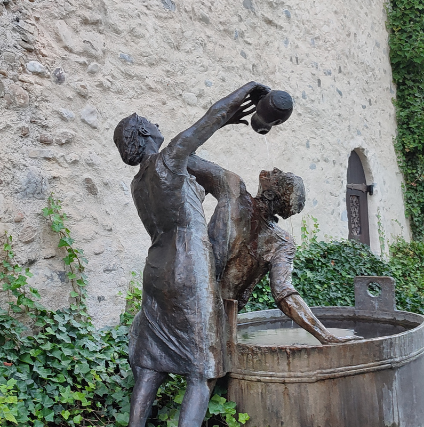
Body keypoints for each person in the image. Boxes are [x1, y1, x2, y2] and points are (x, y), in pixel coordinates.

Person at [113, 81, 270, 427]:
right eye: (150, 121)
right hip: (188, 266)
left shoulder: (138, 184)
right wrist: (247, 90)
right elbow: (209, 118)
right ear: (143, 132)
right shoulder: (168, 161)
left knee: (151, 364)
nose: (156, 123)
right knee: (201, 370)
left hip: (156, 269)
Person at [186, 159, 359, 344]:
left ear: (269, 194)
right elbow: (185, 158)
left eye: (279, 175)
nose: (275, 169)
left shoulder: (234, 190)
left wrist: (324, 335)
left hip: (200, 305)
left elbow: (284, 293)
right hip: (207, 308)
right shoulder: (280, 240)